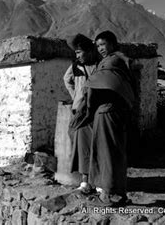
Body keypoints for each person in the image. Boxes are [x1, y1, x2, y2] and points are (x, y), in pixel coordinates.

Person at [83, 30, 136, 205]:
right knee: (116, 152)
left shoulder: (111, 62)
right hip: (116, 112)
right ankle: (118, 194)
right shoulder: (118, 61)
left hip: (106, 113)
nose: (100, 49)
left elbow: (93, 87)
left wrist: (89, 112)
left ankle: (109, 195)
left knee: (107, 154)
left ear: (112, 44)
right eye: (97, 46)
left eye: (103, 45)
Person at [63, 34, 99, 193]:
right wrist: (75, 96)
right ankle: (85, 180)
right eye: (76, 53)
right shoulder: (76, 66)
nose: (77, 56)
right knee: (81, 145)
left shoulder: (100, 65)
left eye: (79, 52)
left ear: (90, 50)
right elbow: (66, 79)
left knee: (97, 145)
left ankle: (98, 181)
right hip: (80, 111)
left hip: (96, 111)